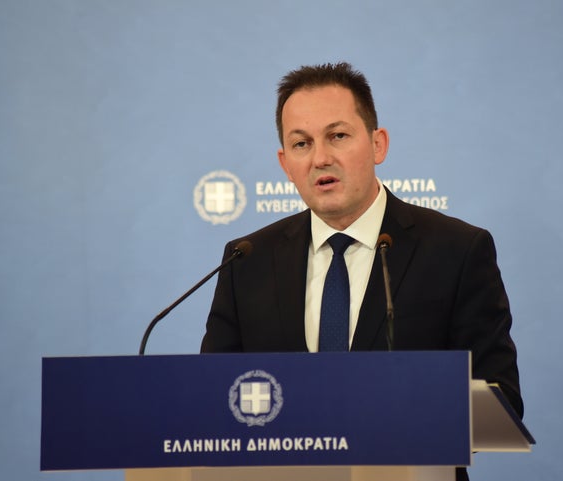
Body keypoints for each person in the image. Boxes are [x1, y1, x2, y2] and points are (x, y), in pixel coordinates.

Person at [201, 63, 522, 447]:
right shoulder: (246, 261)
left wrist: (400, 406)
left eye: (337, 135)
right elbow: (213, 399)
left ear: (377, 144)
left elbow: (500, 400)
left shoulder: (456, 250)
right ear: (285, 164)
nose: (320, 158)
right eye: (301, 143)